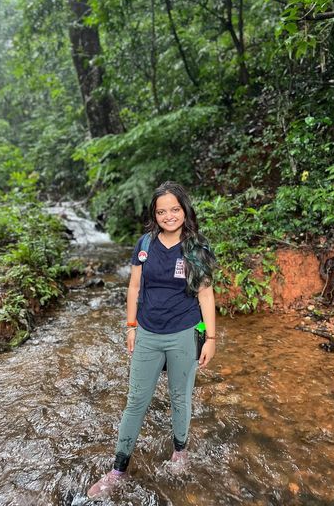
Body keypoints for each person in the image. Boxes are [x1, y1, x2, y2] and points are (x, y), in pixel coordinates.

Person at [87, 181, 217, 500]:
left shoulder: (196, 247)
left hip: (184, 334)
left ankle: (180, 453)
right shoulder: (144, 243)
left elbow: (205, 293)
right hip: (146, 332)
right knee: (136, 402)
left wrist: (211, 337)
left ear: (185, 210)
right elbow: (133, 287)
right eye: (162, 211)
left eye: (175, 209)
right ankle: (118, 469)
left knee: (180, 397)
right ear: (154, 215)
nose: (169, 216)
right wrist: (131, 327)